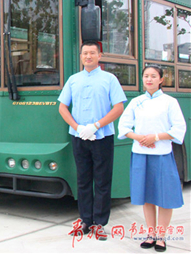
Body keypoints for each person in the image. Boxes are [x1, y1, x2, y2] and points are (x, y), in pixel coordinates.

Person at [58, 41, 126, 240]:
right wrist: (78, 127)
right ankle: (85, 220)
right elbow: (62, 107)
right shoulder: (73, 80)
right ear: (81, 56)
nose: (88, 56)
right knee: (83, 179)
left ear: (99, 55)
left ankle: (100, 223)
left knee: (103, 180)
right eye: (85, 53)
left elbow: (118, 107)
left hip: (102, 136)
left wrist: (96, 126)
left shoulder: (109, 79)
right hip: (79, 136)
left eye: (92, 53)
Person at [118, 65, 186, 252]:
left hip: (162, 155)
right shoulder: (136, 102)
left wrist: (155, 137)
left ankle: (162, 237)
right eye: (146, 76)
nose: (149, 79)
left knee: (164, 197)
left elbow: (179, 129)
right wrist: (139, 138)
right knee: (147, 197)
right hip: (141, 155)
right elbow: (123, 127)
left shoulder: (170, 102)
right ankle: (150, 235)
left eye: (153, 76)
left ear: (161, 79)